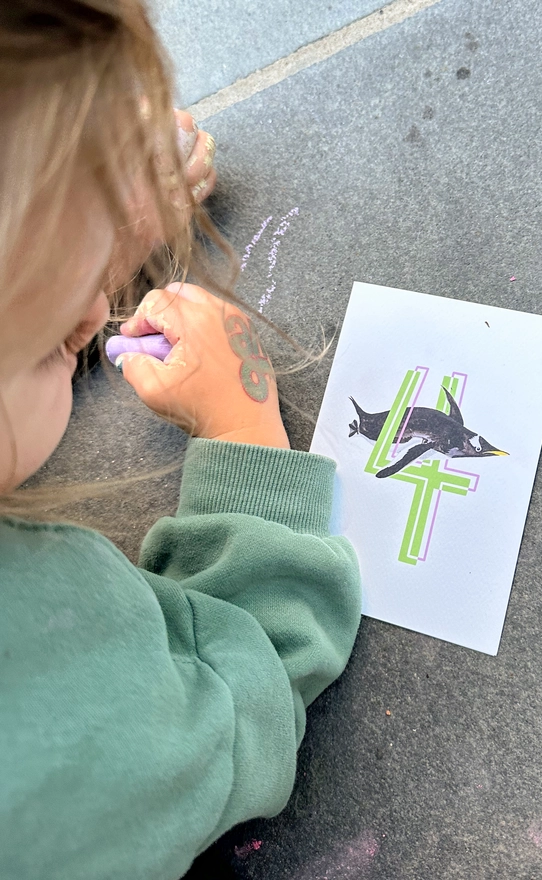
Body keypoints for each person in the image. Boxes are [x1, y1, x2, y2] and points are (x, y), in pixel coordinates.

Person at [0, 2, 362, 879]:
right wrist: (243, 429)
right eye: (51, 339)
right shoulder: (39, 707)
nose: (94, 314)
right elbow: (236, 708)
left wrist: (86, 230)